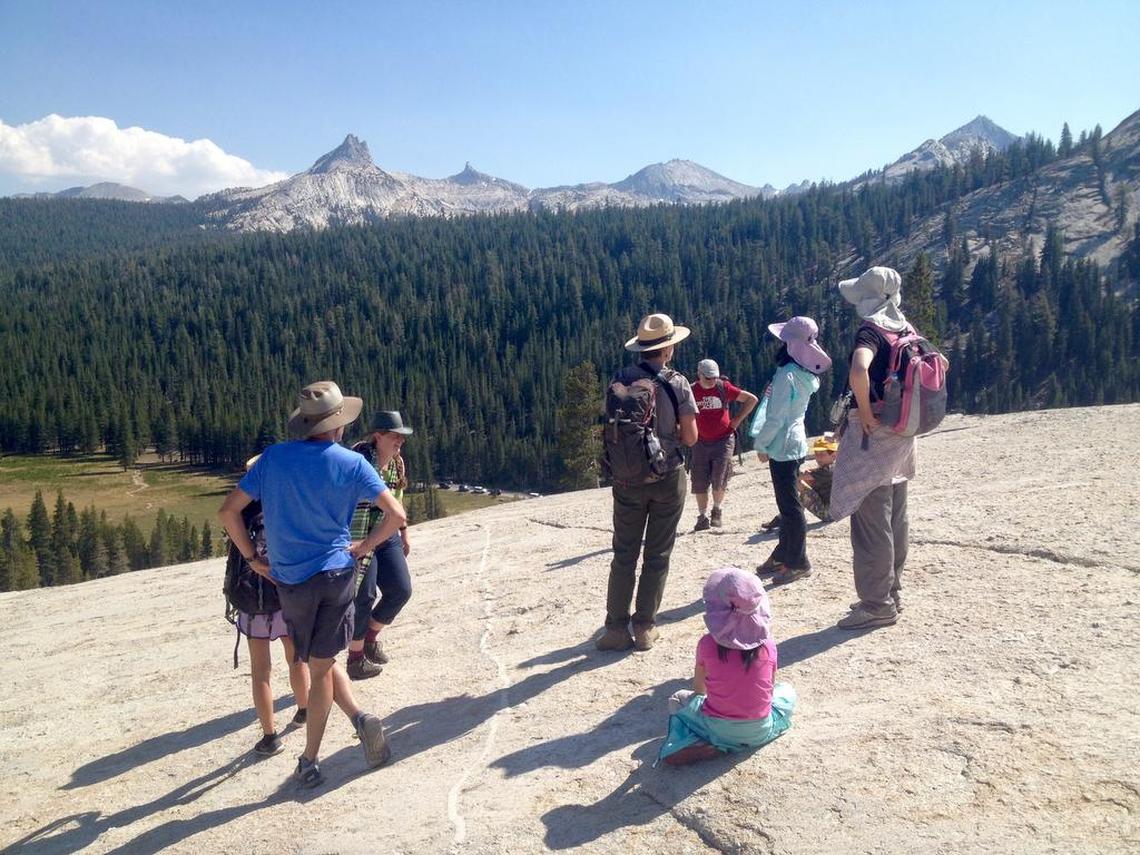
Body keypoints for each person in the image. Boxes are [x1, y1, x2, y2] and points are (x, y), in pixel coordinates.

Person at [218, 380, 407, 788]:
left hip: (290, 582)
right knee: (321, 667)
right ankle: (315, 753)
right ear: (339, 425)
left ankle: (322, 749)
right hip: (338, 574)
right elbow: (397, 515)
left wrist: (252, 557)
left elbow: (229, 512)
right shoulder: (352, 463)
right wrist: (366, 546)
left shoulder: (272, 459)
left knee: (313, 665)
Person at [829, 266, 948, 630]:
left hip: (876, 432)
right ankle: (892, 590)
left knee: (870, 520)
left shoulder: (870, 331)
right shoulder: (907, 328)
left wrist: (865, 412)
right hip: (903, 431)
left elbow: (858, 369)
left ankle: (876, 604)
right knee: (896, 514)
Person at [597, 313, 698, 652]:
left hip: (626, 479)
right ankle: (644, 627)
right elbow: (691, 436)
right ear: (667, 349)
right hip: (667, 475)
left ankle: (614, 629)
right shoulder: (678, 383)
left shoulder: (620, 379)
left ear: (641, 348)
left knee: (623, 552)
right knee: (657, 553)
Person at [656, 567, 795, 766]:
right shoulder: (768, 645)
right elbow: (770, 689)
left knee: (677, 698)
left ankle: (704, 742)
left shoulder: (707, 644)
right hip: (759, 729)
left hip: (717, 727)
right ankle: (738, 742)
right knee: (788, 691)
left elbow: (698, 689)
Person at [227, 454, 311, 757]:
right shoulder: (286, 510)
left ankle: (270, 736)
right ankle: (303, 709)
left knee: (261, 671)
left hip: (252, 602)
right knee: (296, 658)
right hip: (285, 599)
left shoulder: (242, 516)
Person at [750, 316, 832, 586]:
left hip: (782, 445)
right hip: (795, 442)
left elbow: (776, 418)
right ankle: (783, 554)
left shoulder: (786, 375)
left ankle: (798, 562)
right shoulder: (805, 373)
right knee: (787, 505)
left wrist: (762, 444)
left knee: (790, 506)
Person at [345, 411, 414, 680]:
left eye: (401, 437)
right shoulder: (357, 461)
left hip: (386, 531)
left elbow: (397, 499)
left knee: (400, 589)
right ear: (378, 436)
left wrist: (404, 531)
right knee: (364, 595)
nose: (399, 441)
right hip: (359, 533)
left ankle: (370, 637)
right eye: (394, 436)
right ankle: (356, 658)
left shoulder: (397, 464)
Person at [690, 359, 758, 531]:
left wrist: (736, 421)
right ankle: (702, 516)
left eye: (714, 378)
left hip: (723, 439)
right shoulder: (690, 391)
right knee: (699, 479)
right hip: (700, 440)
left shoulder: (724, 387)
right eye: (708, 378)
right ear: (699, 375)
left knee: (720, 476)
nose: (712, 381)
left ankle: (717, 509)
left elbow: (751, 399)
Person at [761, 434, 838, 529]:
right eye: (816, 454)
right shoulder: (834, 467)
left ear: (834, 455)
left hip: (829, 514)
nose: (818, 458)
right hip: (835, 511)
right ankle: (788, 515)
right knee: (806, 488)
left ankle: (787, 516)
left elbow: (799, 477)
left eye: (822, 454)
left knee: (800, 485)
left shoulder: (827, 471)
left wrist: (787, 467)